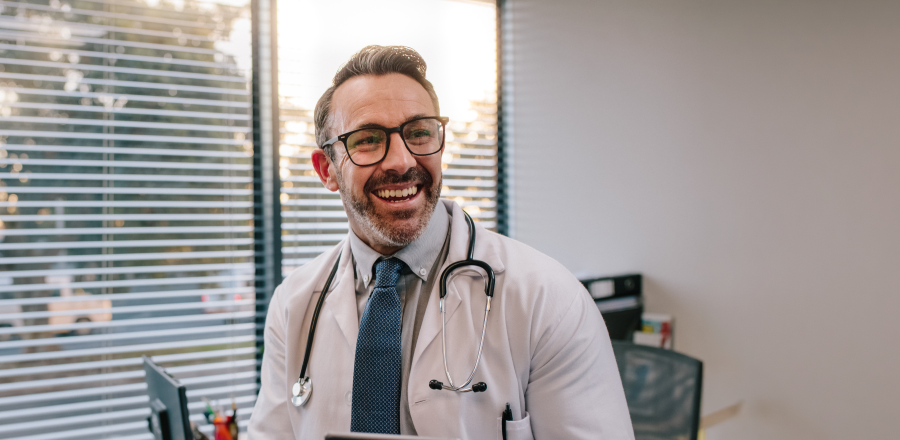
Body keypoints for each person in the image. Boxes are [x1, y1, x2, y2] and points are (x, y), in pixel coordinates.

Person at [248, 46, 633, 440]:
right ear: (326, 170)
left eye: (418, 133)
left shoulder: (547, 298)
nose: (401, 161)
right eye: (368, 139)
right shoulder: (293, 304)